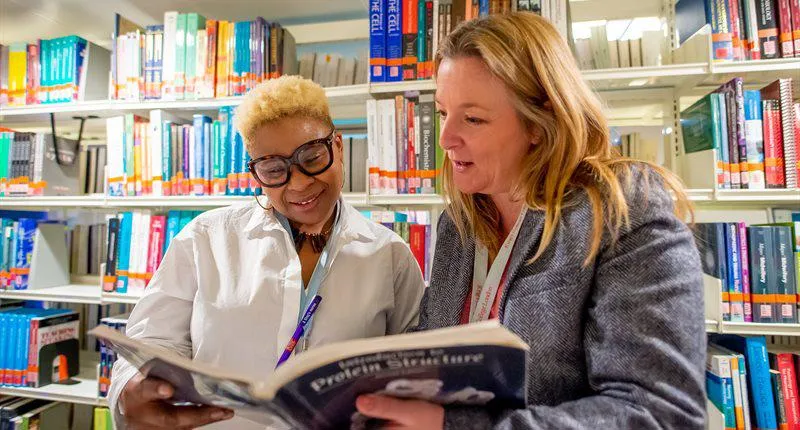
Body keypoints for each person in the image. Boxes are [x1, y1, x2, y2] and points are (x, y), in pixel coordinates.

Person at [354, 12, 706, 429]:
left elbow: (660, 415)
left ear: (540, 123)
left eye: (473, 118)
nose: (445, 138)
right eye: (444, 111)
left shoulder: (623, 212)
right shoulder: (460, 223)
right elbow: (440, 345)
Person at [108, 75, 426, 429]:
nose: (300, 182)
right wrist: (131, 388)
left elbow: (417, 370)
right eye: (275, 170)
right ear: (256, 174)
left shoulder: (390, 256)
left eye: (312, 157)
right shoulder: (205, 239)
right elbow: (148, 342)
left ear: (337, 146)